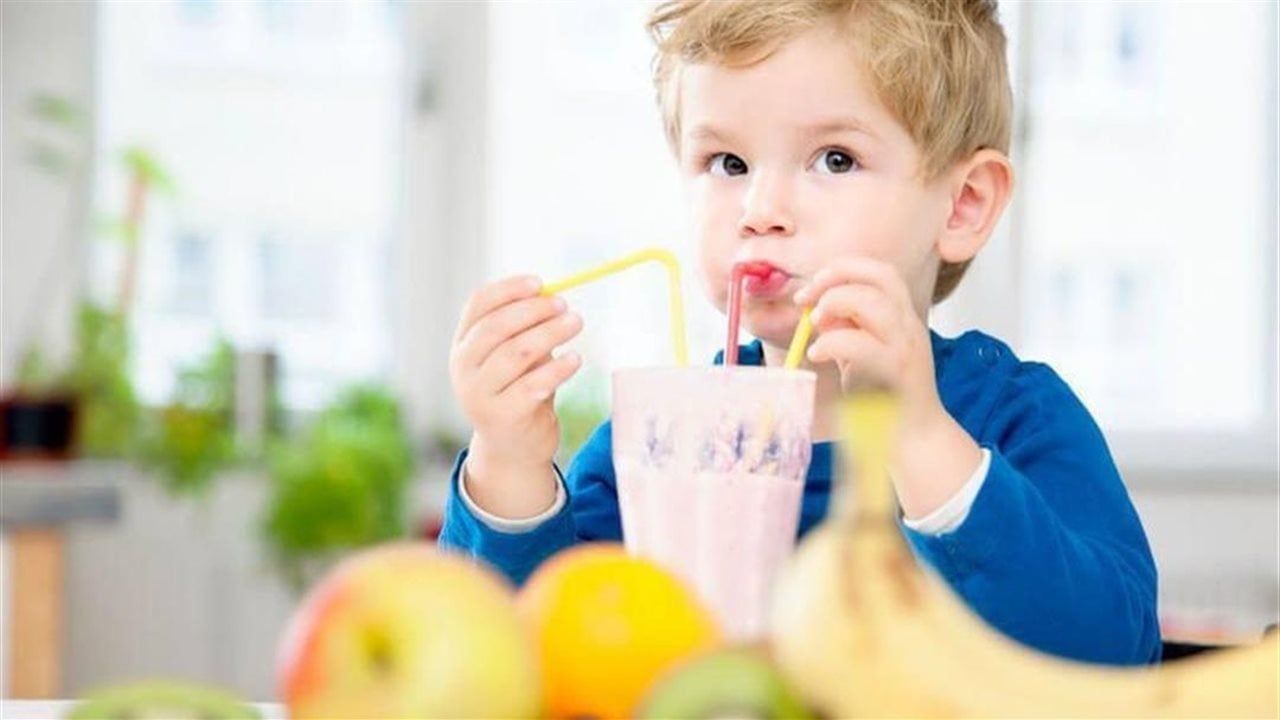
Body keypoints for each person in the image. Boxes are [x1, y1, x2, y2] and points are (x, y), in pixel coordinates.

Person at [440, 0, 1159, 665]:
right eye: (728, 163)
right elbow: (513, 664)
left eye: (835, 159)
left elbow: (1111, 655)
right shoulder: (655, 446)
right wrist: (509, 463)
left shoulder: (1018, 418)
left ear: (963, 205)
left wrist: (918, 437)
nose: (760, 209)